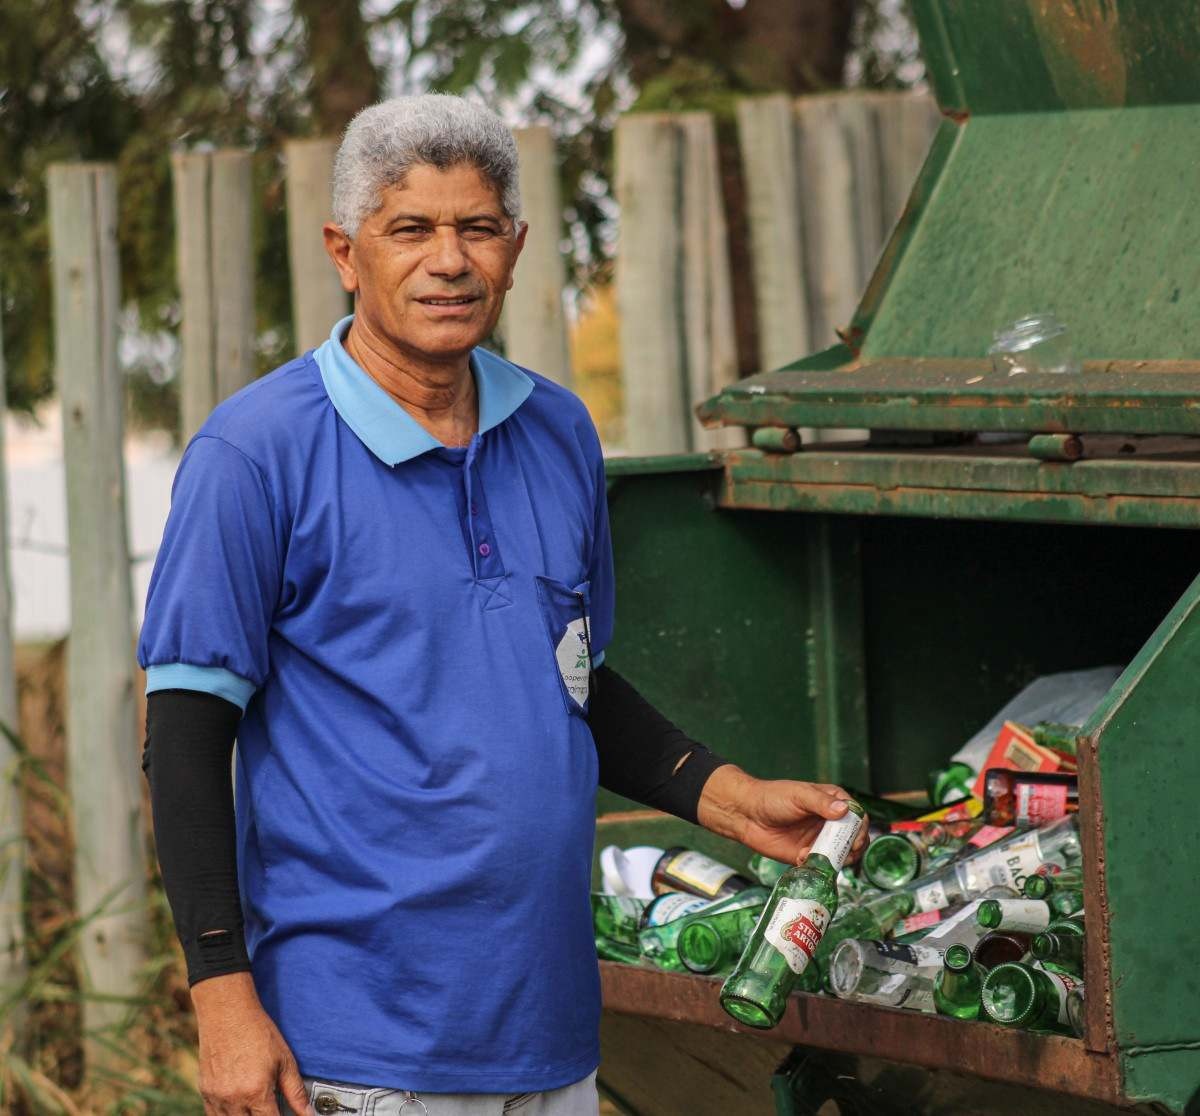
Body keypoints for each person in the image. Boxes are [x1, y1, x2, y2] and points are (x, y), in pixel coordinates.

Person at [138, 94, 865, 1116]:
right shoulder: (254, 454)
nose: (449, 260)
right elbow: (181, 734)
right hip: (358, 1042)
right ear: (345, 253)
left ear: (517, 249)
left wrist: (731, 798)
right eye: (412, 230)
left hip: (550, 1034)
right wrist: (221, 996)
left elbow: (562, 676)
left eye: (477, 227)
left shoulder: (558, 431)